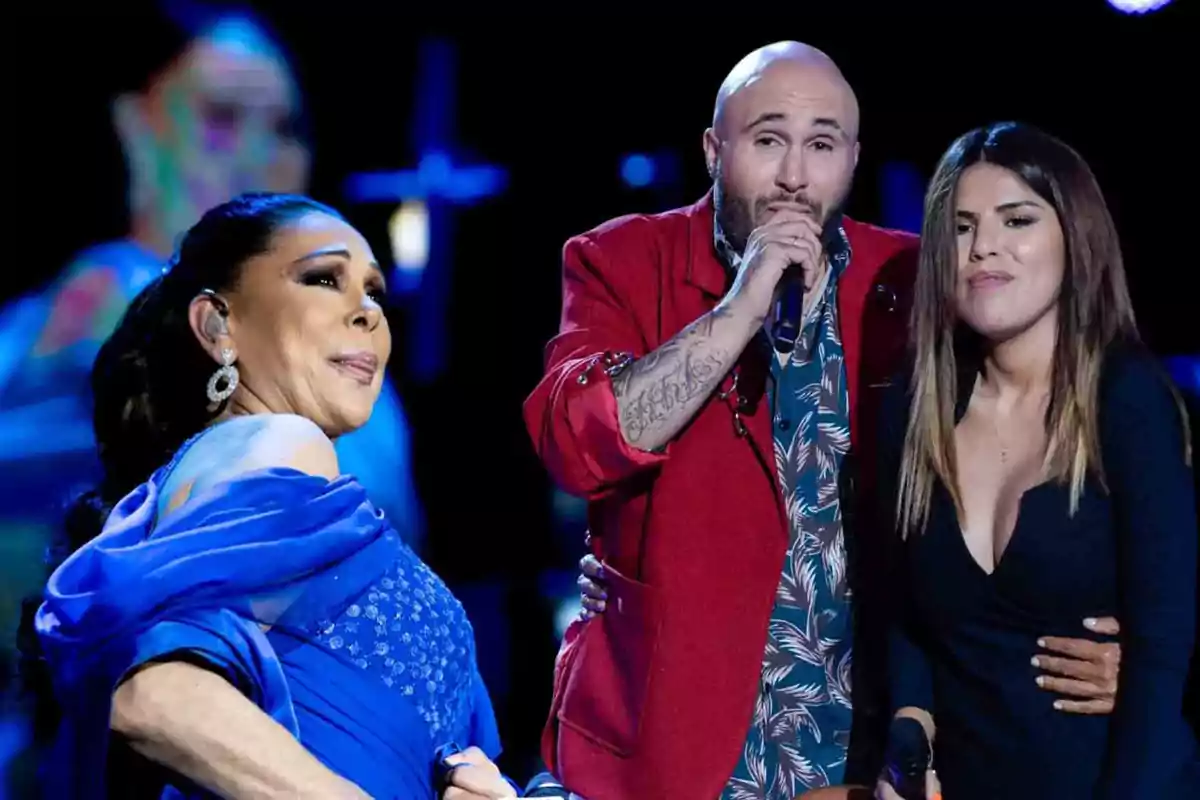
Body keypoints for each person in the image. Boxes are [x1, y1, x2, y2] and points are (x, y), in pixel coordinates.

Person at [527, 42, 1128, 799]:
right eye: (768, 140)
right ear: (714, 150)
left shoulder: (909, 280)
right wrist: (740, 309)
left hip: (860, 741)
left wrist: (1124, 639)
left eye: (821, 146)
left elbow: (1043, 456)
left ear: (852, 159)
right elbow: (578, 445)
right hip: (670, 737)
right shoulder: (622, 260)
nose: (793, 177)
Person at [24, 193, 547, 799]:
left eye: (375, 292)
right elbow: (151, 693)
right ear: (219, 325)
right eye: (324, 278)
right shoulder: (280, 441)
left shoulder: (267, 477)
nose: (368, 313)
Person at [0, 5, 423, 681]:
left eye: (284, 129)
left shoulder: (348, 335)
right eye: (222, 119)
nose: (260, 156)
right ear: (138, 130)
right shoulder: (113, 293)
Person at [873, 123, 1199, 799]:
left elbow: (1163, 661)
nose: (983, 245)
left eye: (1016, 219)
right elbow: (906, 616)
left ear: (1073, 238)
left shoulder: (1128, 401)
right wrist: (908, 739)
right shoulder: (917, 406)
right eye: (961, 227)